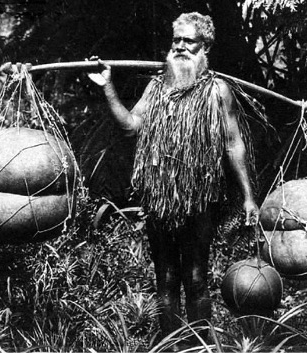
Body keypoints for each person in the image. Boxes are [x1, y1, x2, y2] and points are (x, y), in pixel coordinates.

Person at [88, 11, 259, 346]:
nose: (180, 47)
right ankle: (169, 345)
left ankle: (198, 346)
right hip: (158, 199)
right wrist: (107, 86)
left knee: (196, 277)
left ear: (205, 45)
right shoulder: (155, 89)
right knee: (165, 277)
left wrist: (249, 195)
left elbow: (232, 142)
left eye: (189, 41)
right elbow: (130, 127)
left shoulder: (217, 91)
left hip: (199, 201)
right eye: (176, 40)